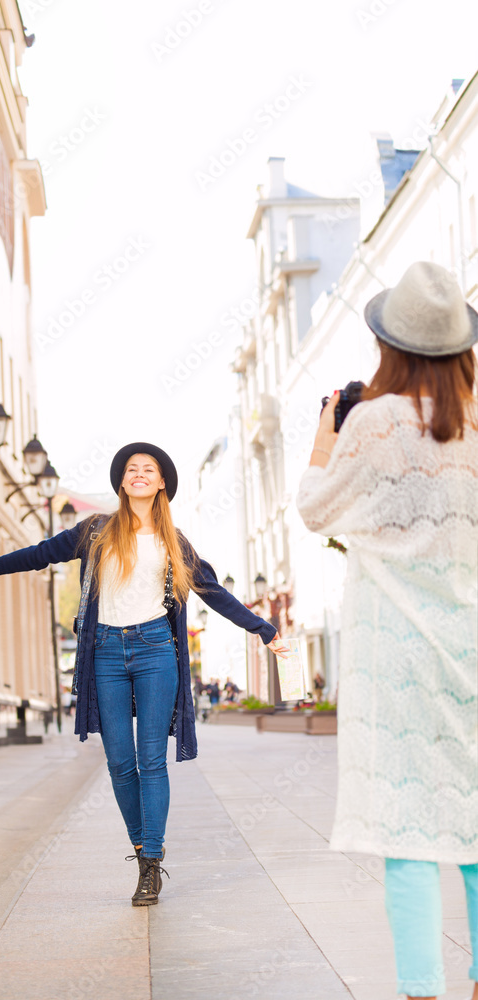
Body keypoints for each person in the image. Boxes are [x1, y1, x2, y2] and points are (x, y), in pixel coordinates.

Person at [0, 442, 289, 906]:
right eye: (132, 469)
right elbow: (41, 553)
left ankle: (150, 863)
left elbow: (213, 592)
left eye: (148, 469)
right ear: (123, 481)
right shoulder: (95, 531)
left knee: (151, 760)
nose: (139, 474)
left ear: (162, 481)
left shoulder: (174, 542)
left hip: (155, 652)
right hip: (104, 652)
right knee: (118, 763)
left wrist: (265, 631)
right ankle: (140, 843)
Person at [296, 262, 478, 1000]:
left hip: (394, 650)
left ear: (389, 345)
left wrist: (322, 433)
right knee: (473, 820)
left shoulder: (370, 420)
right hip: (470, 643)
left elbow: (315, 508)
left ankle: (420, 989)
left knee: (406, 827)